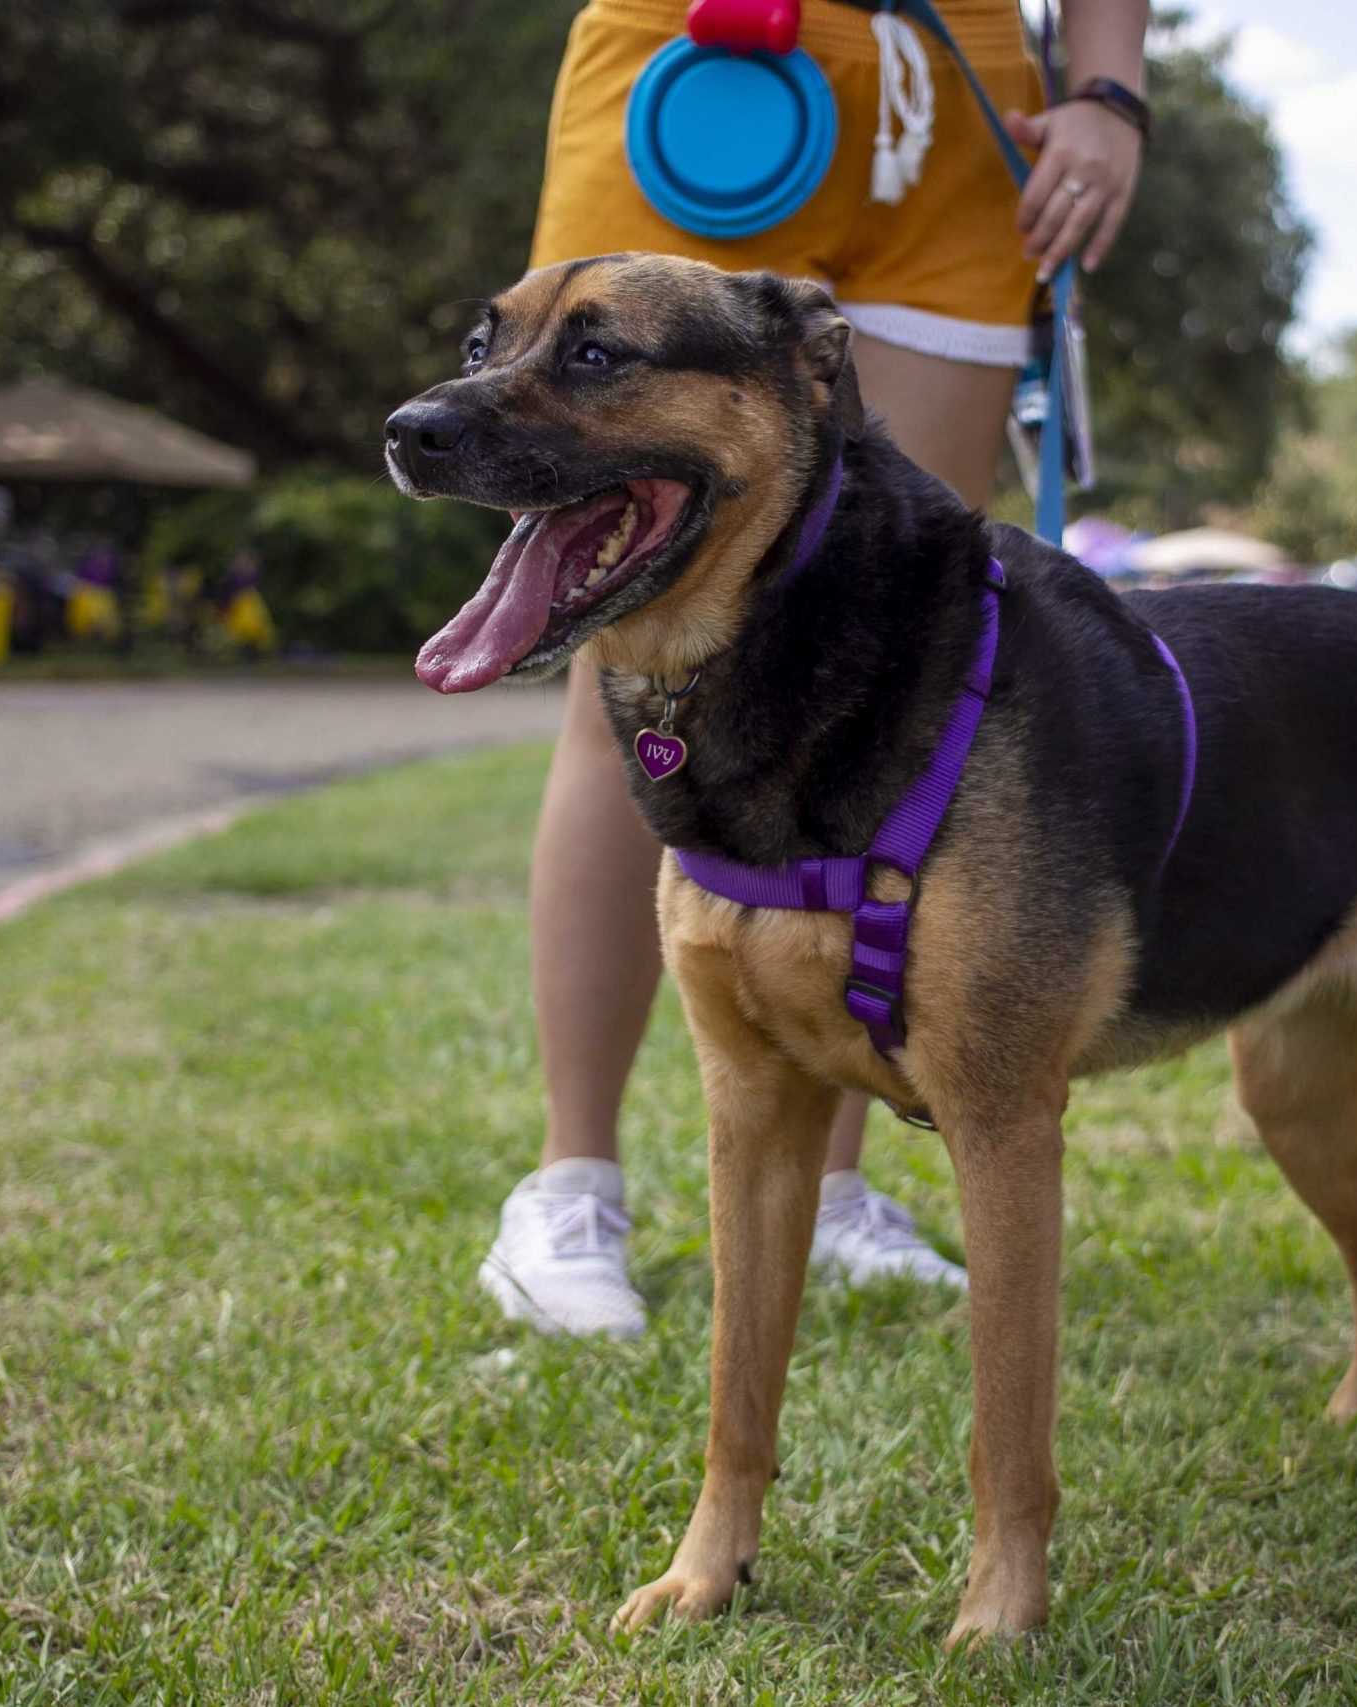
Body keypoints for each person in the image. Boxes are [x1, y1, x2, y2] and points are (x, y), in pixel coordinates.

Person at [481, 0, 1151, 1337]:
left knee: (899, 676)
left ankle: (835, 1189)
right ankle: (571, 1185)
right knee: (627, 677)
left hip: (960, 99)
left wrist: (1110, 91)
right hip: (698, 64)